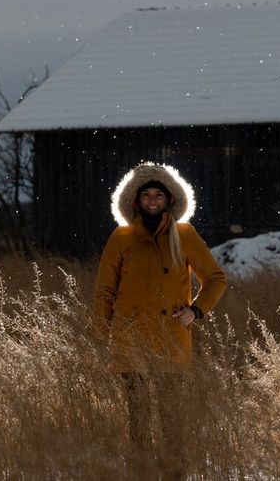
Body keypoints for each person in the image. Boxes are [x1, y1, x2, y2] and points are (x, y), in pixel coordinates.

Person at [93, 162, 227, 470]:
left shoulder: (185, 235)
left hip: (171, 339)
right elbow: (104, 292)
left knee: (172, 420)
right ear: (135, 201)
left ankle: (175, 473)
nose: (153, 201)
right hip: (130, 340)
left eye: (159, 195)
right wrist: (100, 336)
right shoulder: (121, 238)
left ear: (170, 199)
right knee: (138, 422)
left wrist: (196, 310)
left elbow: (217, 279)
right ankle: (141, 474)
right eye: (146, 196)